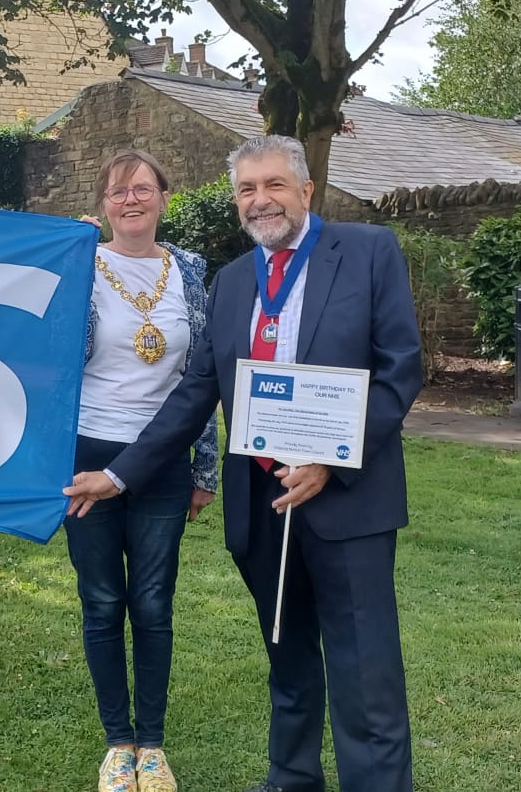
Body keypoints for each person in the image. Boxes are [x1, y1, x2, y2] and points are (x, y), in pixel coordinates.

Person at [66, 135, 424, 792]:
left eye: (274, 185)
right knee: (287, 657)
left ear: (306, 191)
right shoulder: (232, 283)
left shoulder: (369, 252)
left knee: (364, 671)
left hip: (346, 498)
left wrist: (330, 459)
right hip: (262, 502)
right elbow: (195, 392)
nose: (261, 200)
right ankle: (290, 780)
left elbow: (401, 371)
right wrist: (119, 475)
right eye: (247, 189)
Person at [67, 150, 219, 792]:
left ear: (163, 196)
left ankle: (151, 746)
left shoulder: (189, 269)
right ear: (103, 202)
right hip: (87, 456)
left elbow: (202, 375)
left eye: (143, 189)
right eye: (118, 191)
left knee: (153, 604)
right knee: (102, 601)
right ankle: (116, 744)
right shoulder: (76, 264)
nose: (131, 200)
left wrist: (204, 468)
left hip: (162, 459)